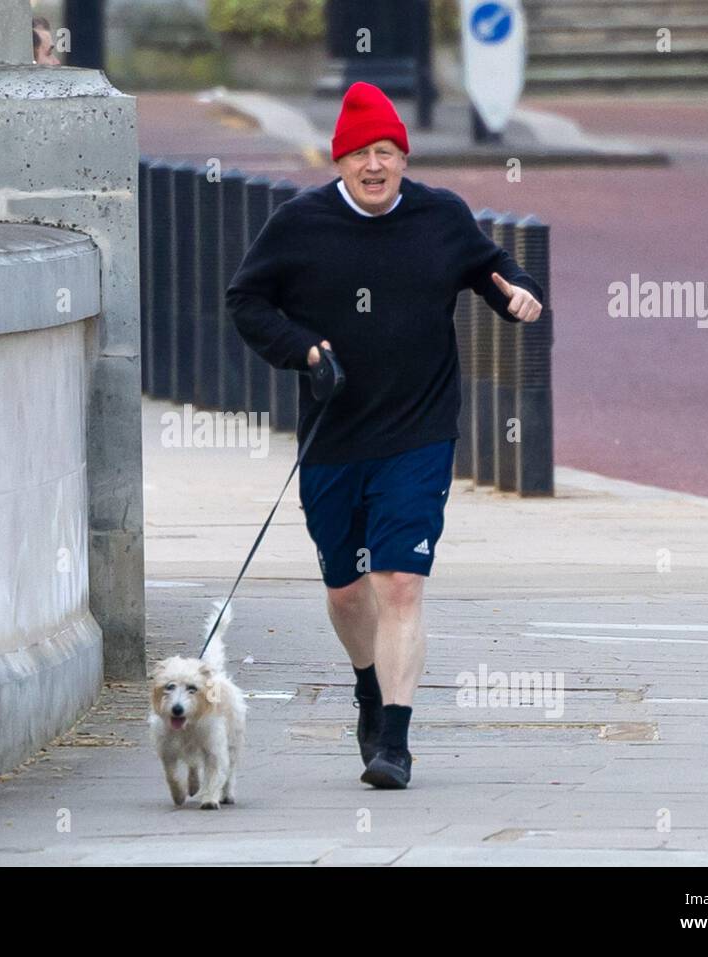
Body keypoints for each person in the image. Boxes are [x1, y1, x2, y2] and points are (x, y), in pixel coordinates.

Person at [226, 82, 544, 789]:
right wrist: (304, 351)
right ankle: (368, 684)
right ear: (338, 161)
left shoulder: (440, 215)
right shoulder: (300, 224)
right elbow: (246, 300)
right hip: (335, 436)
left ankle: (394, 742)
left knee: (399, 581)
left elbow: (490, 267)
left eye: (387, 152)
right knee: (346, 591)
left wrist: (517, 292)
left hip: (418, 431)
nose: (375, 165)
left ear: (404, 158)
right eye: (361, 153)